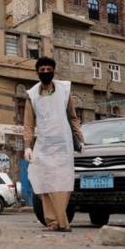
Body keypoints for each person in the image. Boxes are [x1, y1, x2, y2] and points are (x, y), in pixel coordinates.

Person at [23, 56, 83, 232]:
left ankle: (61, 222)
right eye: (42, 70)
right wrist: (27, 146)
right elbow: (28, 124)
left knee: (62, 184)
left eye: (49, 69)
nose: (46, 72)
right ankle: (53, 222)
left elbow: (73, 117)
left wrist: (80, 137)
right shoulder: (32, 95)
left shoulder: (65, 90)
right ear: (37, 73)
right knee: (42, 182)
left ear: (54, 70)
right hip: (43, 145)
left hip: (63, 144)